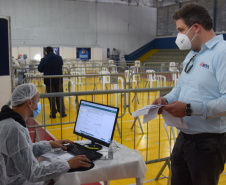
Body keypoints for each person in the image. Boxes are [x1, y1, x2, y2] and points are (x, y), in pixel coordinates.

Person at [152, 3, 226, 185]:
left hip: (208, 143)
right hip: (184, 138)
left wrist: (189, 109)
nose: (179, 36)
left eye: (181, 30)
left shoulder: (222, 53)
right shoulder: (192, 54)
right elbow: (180, 87)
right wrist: (166, 99)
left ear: (196, 27)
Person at [0, 83, 91, 185]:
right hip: (14, 182)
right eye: (38, 100)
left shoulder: (7, 121)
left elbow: (23, 151)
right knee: (59, 180)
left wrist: (50, 144)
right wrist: (67, 164)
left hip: (14, 178)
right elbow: (33, 173)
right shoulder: (15, 129)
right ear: (29, 103)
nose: (38, 105)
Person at [38, 46, 67, 118]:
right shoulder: (59, 58)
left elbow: (40, 69)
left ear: (46, 52)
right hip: (59, 80)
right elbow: (61, 65)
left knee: (51, 97)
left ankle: (53, 113)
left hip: (49, 81)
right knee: (60, 96)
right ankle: (62, 112)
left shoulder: (44, 59)